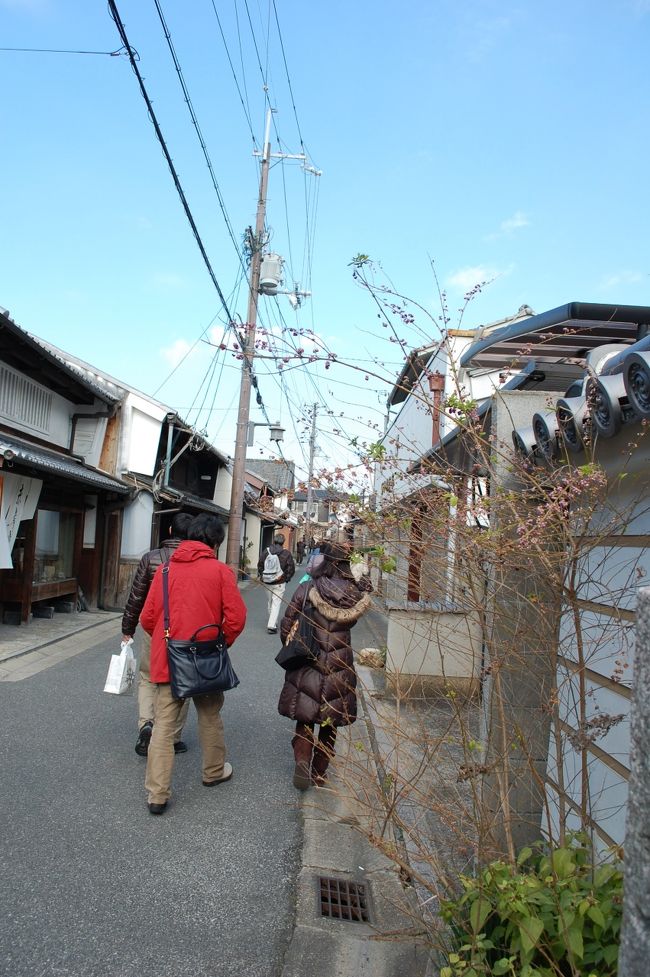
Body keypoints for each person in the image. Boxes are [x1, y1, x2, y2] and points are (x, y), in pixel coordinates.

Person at [140, 514, 247, 815]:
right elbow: (237, 618)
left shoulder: (164, 570)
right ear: (214, 543)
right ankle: (213, 771)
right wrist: (219, 643)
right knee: (210, 715)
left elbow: (148, 618)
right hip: (206, 659)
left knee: (163, 725)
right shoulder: (220, 572)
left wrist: (166, 642)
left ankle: (157, 795)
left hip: (169, 660)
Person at [277, 541, 372, 790]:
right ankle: (319, 772)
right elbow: (365, 594)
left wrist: (290, 645)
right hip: (339, 662)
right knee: (331, 721)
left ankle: (302, 761)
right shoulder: (354, 592)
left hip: (309, 658)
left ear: (324, 560)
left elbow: (287, 622)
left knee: (306, 716)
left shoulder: (308, 585)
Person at [121, 511, 193, 757]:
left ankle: (147, 725)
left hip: (154, 627)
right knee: (182, 680)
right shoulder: (196, 559)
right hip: (186, 630)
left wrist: (127, 629)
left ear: (170, 532)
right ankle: (172, 737)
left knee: (148, 677)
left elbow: (136, 595)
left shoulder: (151, 558)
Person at [257, 533, 295, 635]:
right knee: (276, 602)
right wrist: (286, 578)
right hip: (279, 582)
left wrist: (262, 575)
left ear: (274, 541)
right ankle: (271, 625)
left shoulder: (266, 551)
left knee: (270, 601)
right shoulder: (286, 553)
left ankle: (273, 621)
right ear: (283, 542)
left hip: (267, 581)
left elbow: (260, 564)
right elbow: (291, 568)